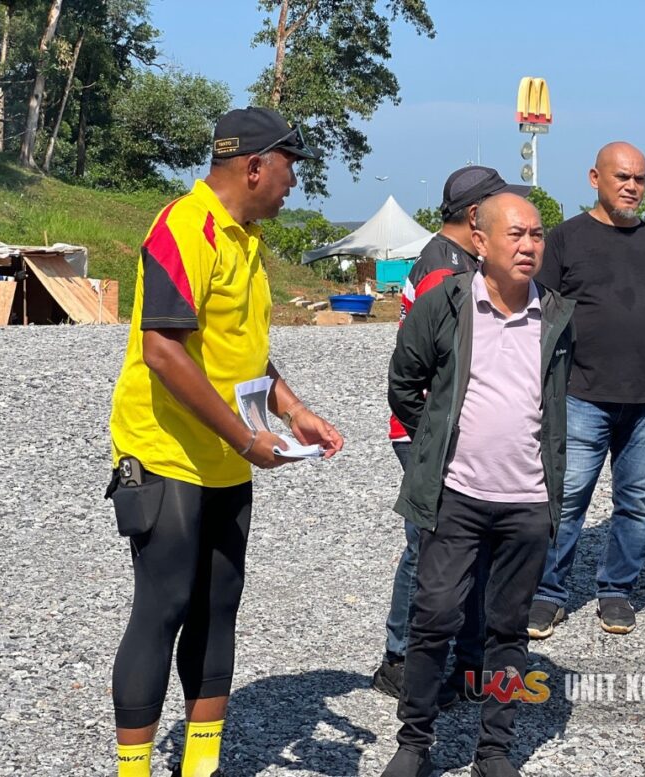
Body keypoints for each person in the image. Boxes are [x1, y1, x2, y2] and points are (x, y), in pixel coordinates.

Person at [106, 107, 344, 777]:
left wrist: (293, 409)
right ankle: (133, 770)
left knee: (218, 607)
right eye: (290, 167)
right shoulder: (184, 227)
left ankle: (201, 765)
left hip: (226, 455)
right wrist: (245, 438)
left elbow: (241, 349)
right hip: (164, 452)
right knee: (163, 606)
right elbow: (162, 350)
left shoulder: (247, 240)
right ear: (255, 166)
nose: (294, 182)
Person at [382, 193, 574, 777]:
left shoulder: (558, 314)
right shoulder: (444, 304)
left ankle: (494, 750)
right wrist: (438, 443)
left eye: (536, 234)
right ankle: (414, 743)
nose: (528, 245)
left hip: (528, 501)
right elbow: (404, 383)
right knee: (433, 617)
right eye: (515, 234)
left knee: (507, 629)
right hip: (456, 496)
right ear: (480, 241)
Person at [528, 141, 645, 639]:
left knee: (638, 503)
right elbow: (538, 313)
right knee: (566, 498)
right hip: (581, 394)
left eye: (639, 179)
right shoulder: (565, 240)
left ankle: (616, 590)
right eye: (622, 177)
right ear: (595, 178)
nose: (631, 187)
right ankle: (547, 593)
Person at [374, 167, 530, 703]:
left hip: (440, 431)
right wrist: (435, 437)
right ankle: (401, 659)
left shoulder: (458, 260)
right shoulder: (445, 269)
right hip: (428, 432)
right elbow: (426, 370)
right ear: (475, 215)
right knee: (431, 547)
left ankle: (464, 657)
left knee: (460, 546)